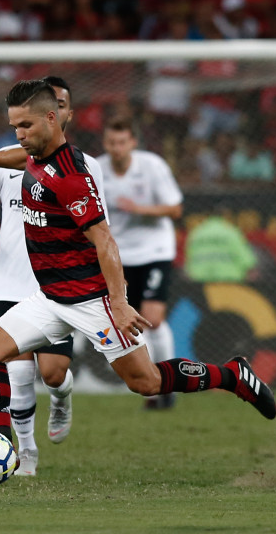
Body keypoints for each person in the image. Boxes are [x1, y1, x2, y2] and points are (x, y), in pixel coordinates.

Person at [0, 79, 276, 468]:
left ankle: (232, 375)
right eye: (15, 126)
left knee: (146, 382)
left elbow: (106, 241)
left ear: (52, 118)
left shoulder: (72, 178)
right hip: (49, 297)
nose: (19, 134)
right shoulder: (36, 154)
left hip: (89, 298)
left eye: (26, 126)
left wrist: (119, 302)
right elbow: (20, 157)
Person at [0, 76, 98, 476]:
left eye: (63, 105)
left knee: (52, 372)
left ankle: (61, 397)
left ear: (63, 114)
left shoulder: (84, 167)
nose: (58, 111)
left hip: (57, 280)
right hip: (10, 278)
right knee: (16, 366)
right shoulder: (3, 159)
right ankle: (24, 452)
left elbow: (100, 229)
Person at [97, 117, 184, 410]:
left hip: (154, 250)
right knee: (134, 324)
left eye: (122, 143)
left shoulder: (152, 166)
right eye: (111, 143)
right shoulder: (96, 170)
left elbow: (174, 208)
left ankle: (168, 386)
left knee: (154, 317)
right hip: (119, 257)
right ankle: (154, 385)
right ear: (105, 144)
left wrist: (140, 209)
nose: (117, 148)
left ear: (133, 143)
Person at [185, 214, 256, 283]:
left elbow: (188, 261)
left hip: (199, 282)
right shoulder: (231, 232)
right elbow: (247, 262)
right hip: (229, 282)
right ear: (226, 216)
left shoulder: (196, 233)